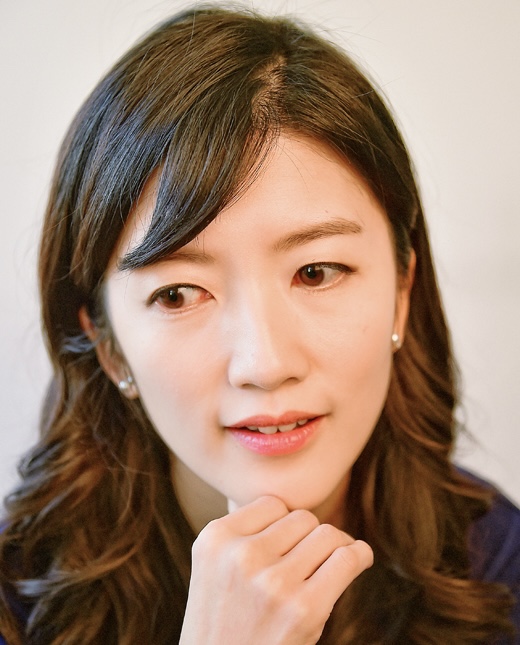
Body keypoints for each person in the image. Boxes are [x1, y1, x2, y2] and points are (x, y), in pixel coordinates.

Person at [0, 5, 519, 644]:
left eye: (317, 273)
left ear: (402, 294)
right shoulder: (16, 603)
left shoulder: (496, 568)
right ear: (109, 348)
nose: (266, 364)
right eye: (178, 294)